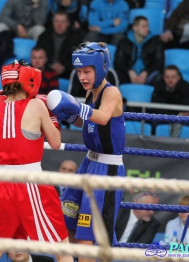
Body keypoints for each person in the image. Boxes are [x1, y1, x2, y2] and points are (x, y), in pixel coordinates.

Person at [0, 60, 73, 262]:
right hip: (31, 183)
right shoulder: (37, 105)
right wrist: (53, 119)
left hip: (3, 183)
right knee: (62, 249)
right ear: (29, 80)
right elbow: (55, 143)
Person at [47, 42, 125, 260]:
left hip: (106, 170)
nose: (82, 77)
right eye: (79, 72)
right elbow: (88, 122)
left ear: (100, 68)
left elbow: (102, 117)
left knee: (88, 237)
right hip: (88, 164)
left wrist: (75, 106)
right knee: (68, 223)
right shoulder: (92, 92)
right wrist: (70, 116)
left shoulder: (112, 93)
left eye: (87, 71)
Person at [114, 16, 164, 86]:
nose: (147, 29)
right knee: (113, 76)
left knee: (159, 77)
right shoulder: (124, 42)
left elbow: (159, 62)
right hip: (128, 75)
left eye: (147, 26)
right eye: (143, 26)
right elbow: (119, 62)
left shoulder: (156, 43)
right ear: (135, 28)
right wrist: (129, 71)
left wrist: (146, 72)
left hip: (148, 75)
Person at [37, 11, 85, 79]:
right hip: (45, 72)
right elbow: (38, 54)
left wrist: (64, 67)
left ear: (68, 23)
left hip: (68, 73)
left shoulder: (76, 38)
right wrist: (50, 66)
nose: (59, 24)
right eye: (56, 21)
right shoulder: (44, 37)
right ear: (53, 22)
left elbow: (79, 58)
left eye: (62, 22)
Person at [149, 65, 189, 137]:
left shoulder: (186, 87)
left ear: (178, 77)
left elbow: (186, 110)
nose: (170, 80)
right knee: (153, 121)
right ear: (163, 77)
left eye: (173, 77)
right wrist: (174, 115)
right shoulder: (158, 86)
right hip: (163, 117)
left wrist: (175, 116)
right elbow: (155, 107)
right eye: (167, 77)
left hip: (179, 118)